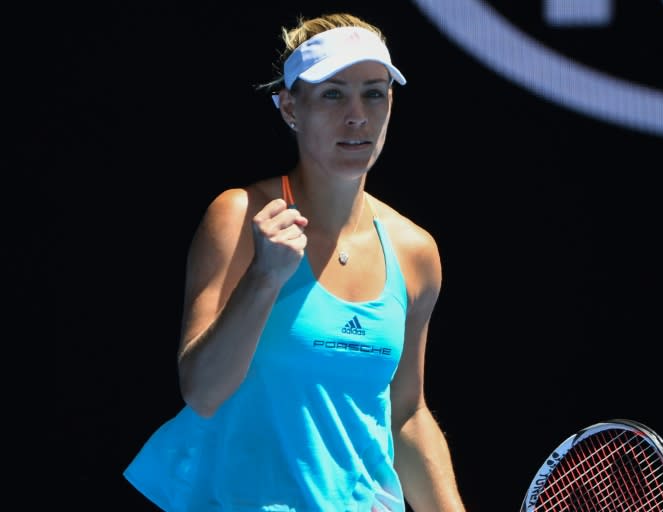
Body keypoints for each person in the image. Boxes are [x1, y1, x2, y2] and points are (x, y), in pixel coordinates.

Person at [123, 12, 466, 512]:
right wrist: (264, 278)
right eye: (332, 94)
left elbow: (406, 411)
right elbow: (202, 392)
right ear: (289, 107)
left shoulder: (416, 252)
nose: (357, 115)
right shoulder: (238, 216)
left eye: (374, 93)